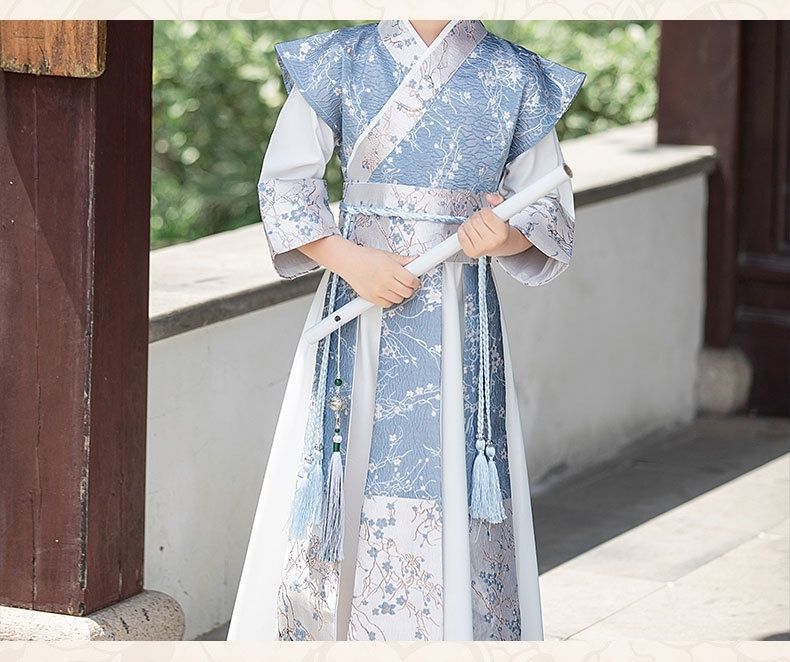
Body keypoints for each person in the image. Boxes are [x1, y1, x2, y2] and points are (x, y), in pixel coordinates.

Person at [227, 19, 586, 642]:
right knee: (342, 463)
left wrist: (503, 235)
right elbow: (284, 185)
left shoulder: (517, 74)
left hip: (460, 312)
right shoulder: (338, 58)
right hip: (359, 303)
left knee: (454, 464)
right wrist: (350, 260)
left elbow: (548, 208)